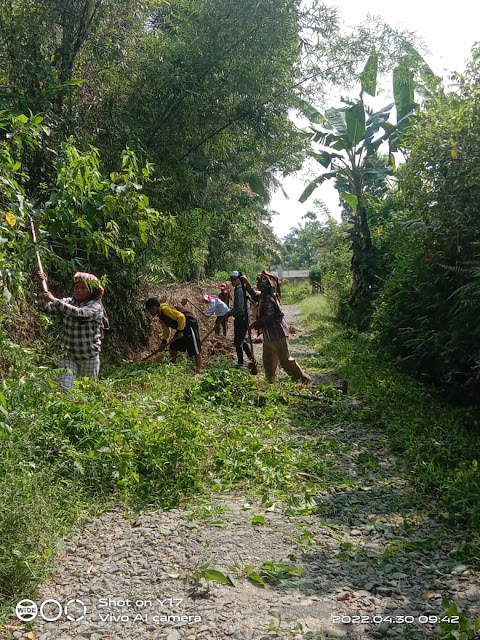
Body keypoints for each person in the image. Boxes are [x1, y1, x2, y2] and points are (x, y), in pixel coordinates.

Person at [39, 271, 109, 391]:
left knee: (87, 392)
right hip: (69, 356)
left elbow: (80, 314)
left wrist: (54, 300)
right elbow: (45, 308)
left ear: (91, 291)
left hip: (89, 357)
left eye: (83, 288)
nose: (79, 290)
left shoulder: (96, 306)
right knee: (66, 388)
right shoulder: (68, 302)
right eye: (77, 287)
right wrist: (41, 285)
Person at [242, 271, 310, 385]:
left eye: (260, 283)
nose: (258, 286)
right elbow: (253, 294)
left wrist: (255, 324)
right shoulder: (263, 296)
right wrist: (246, 282)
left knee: (285, 360)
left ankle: (302, 378)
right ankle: (270, 382)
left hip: (278, 334)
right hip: (269, 336)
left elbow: (269, 316)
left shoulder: (269, 299)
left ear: (266, 286)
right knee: (268, 361)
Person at [145, 298, 202, 375]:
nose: (150, 312)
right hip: (181, 328)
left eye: (149, 310)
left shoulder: (165, 310)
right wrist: (164, 342)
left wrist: (180, 331)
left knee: (195, 348)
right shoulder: (161, 316)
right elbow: (167, 330)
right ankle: (172, 367)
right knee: (173, 346)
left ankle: (198, 372)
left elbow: (181, 317)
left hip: (189, 324)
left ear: (154, 308)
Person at [226, 270, 252, 367]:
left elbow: (240, 308)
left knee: (238, 342)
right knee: (241, 339)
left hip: (242, 318)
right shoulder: (239, 288)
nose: (232, 281)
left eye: (234, 279)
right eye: (231, 279)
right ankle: (251, 357)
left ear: (239, 279)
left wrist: (230, 313)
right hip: (242, 318)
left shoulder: (240, 290)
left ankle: (240, 363)